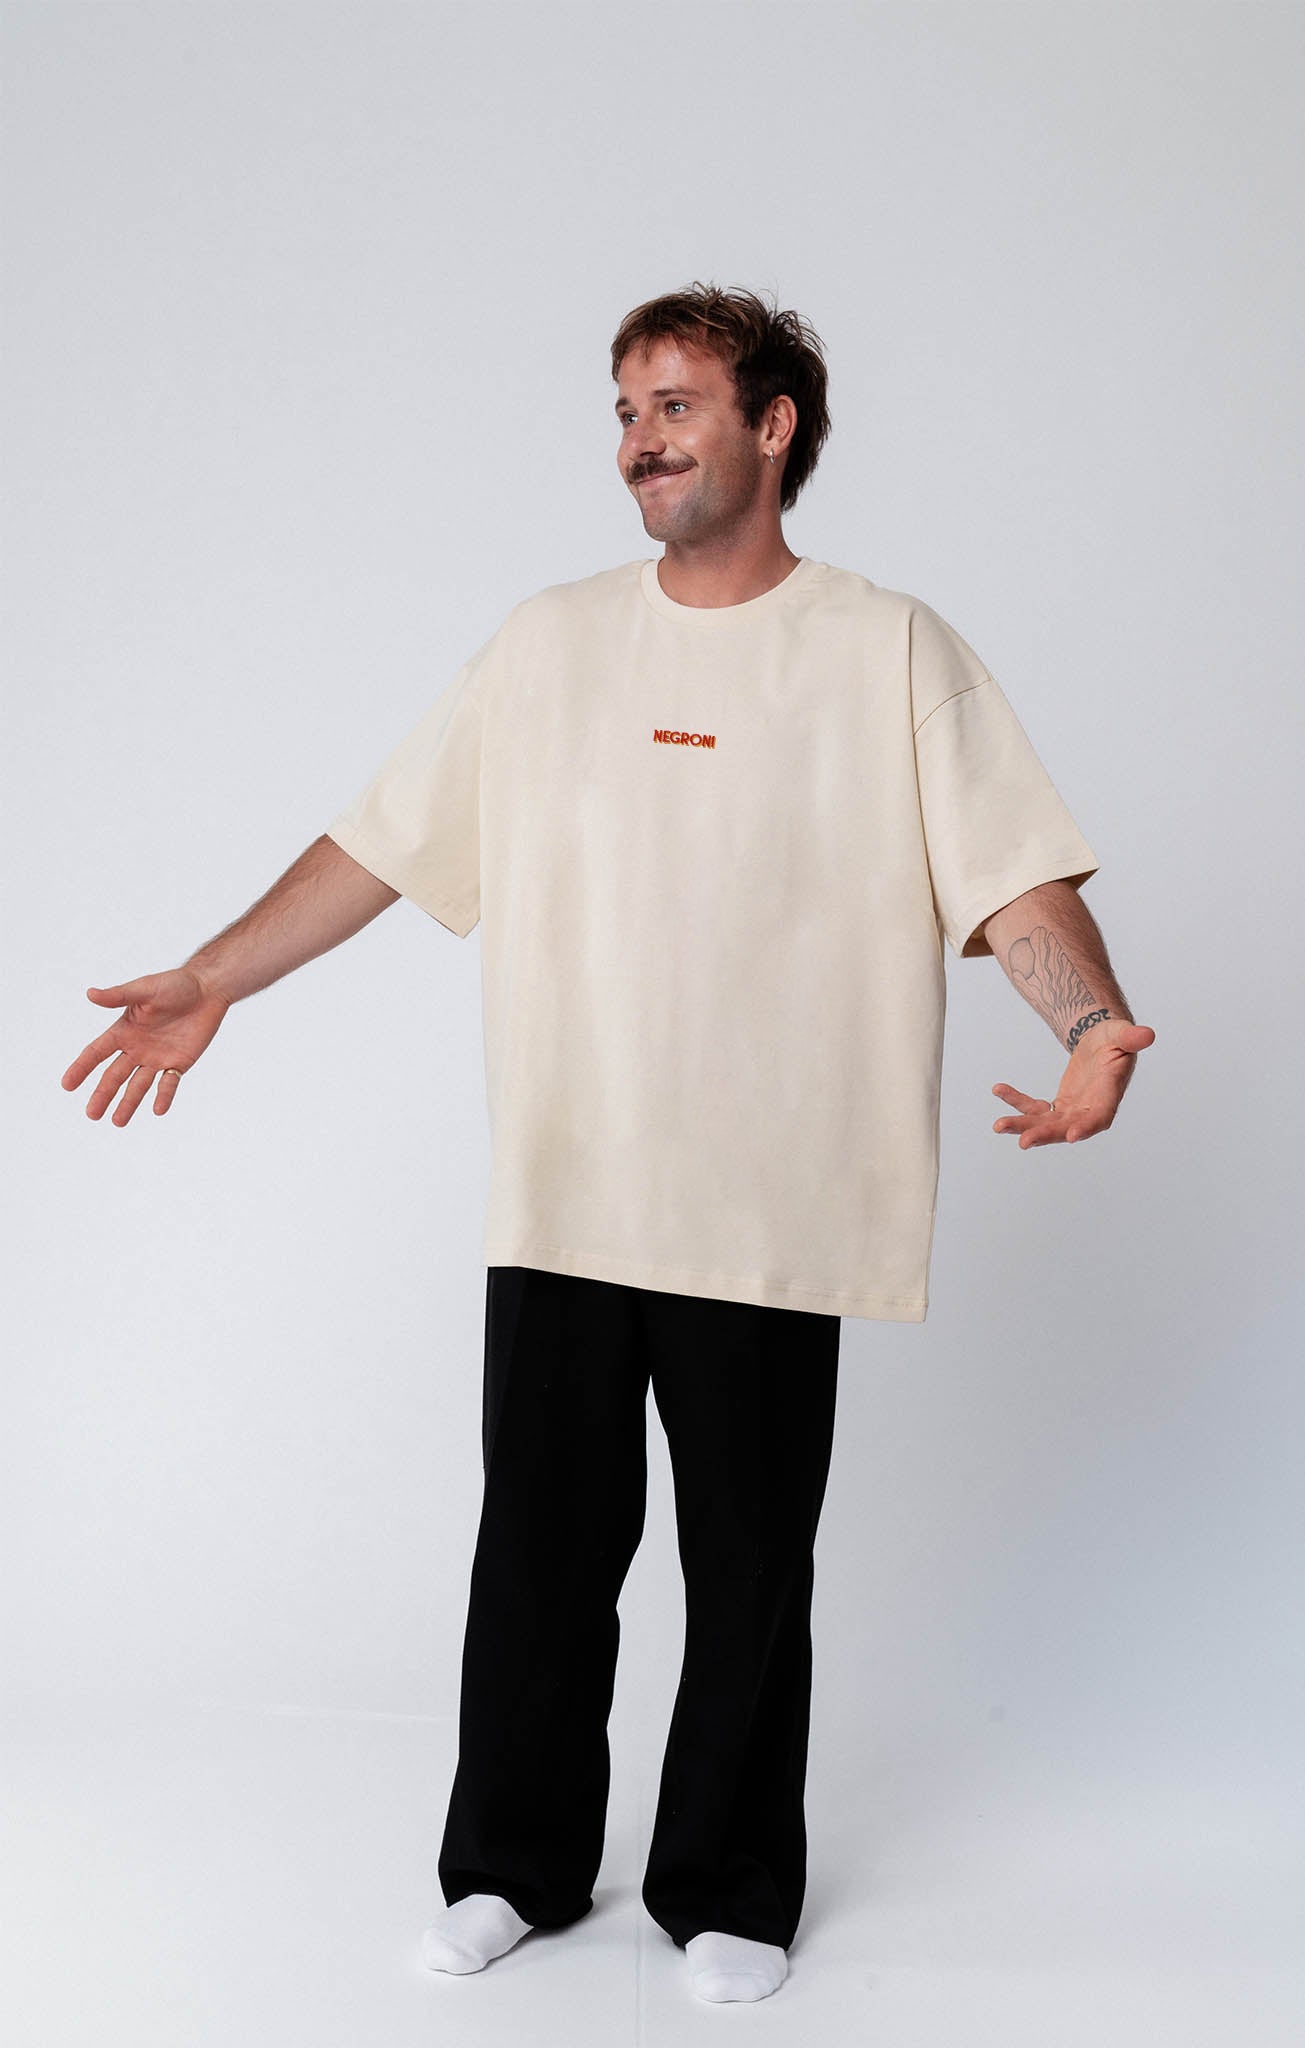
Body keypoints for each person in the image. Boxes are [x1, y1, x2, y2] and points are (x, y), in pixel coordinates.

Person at [61, 282, 1155, 2005]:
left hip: (776, 1197)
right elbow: (382, 839)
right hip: (571, 1187)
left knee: (747, 1568)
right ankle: (513, 1866)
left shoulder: (887, 648)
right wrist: (216, 976)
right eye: (625, 410)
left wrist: (1087, 1025)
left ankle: (726, 1887)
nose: (640, 439)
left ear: (772, 426)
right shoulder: (549, 642)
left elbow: (1010, 870)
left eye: (675, 404)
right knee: (540, 1557)